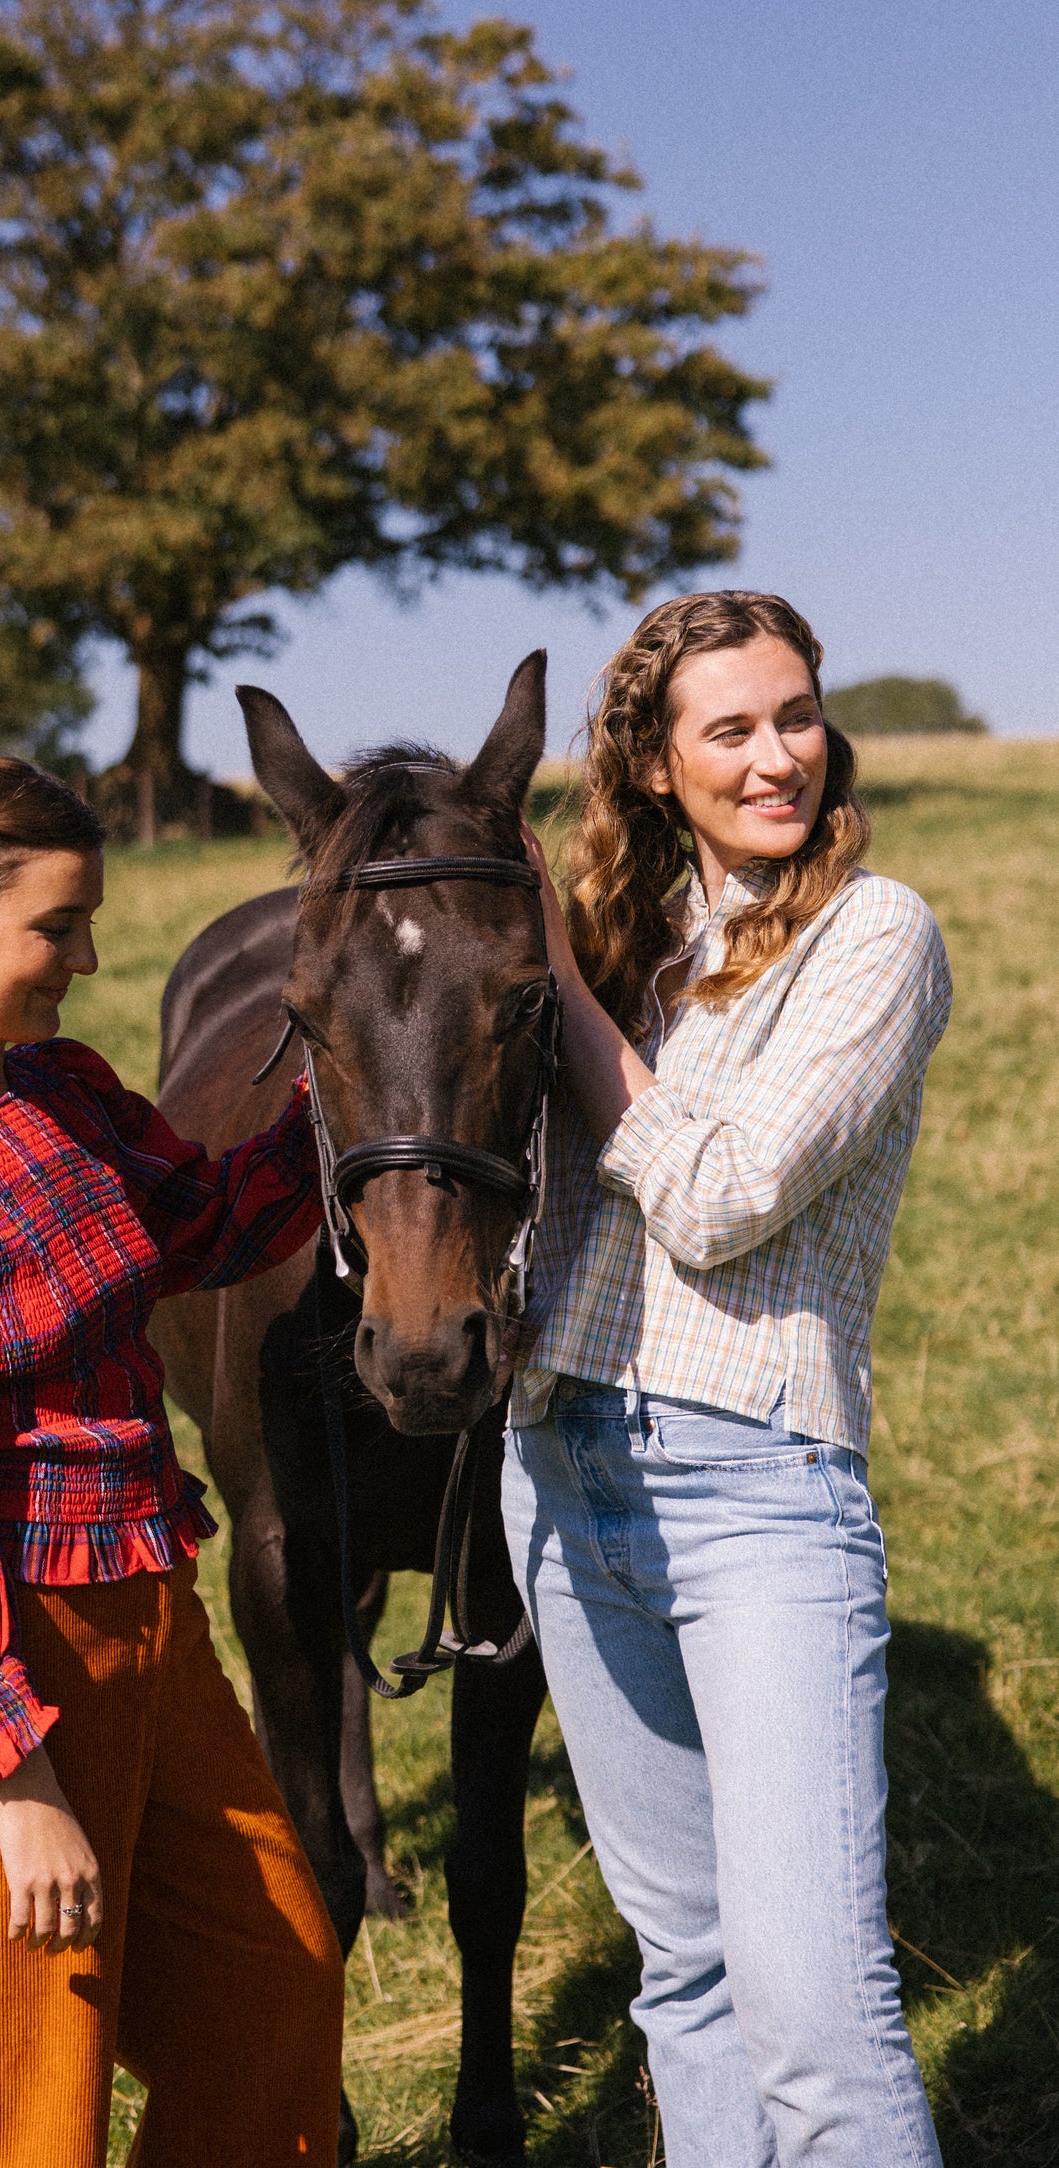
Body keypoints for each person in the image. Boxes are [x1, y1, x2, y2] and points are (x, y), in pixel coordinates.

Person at [0, 751, 344, 2168]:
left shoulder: (64, 1089)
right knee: (4, 2108)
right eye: (55, 927)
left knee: (273, 1985)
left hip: (150, 1625)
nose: (85, 958)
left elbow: (201, 1228)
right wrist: (19, 1781)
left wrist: (349, 1105)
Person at [505, 591, 950, 2166]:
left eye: (796, 716)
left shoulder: (871, 934)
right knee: (683, 1981)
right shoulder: (628, 950)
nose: (779, 758)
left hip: (756, 1486)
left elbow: (720, 1194)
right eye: (731, 729)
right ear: (648, 767)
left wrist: (557, 1001)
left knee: (814, 2013)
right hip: (557, 1474)